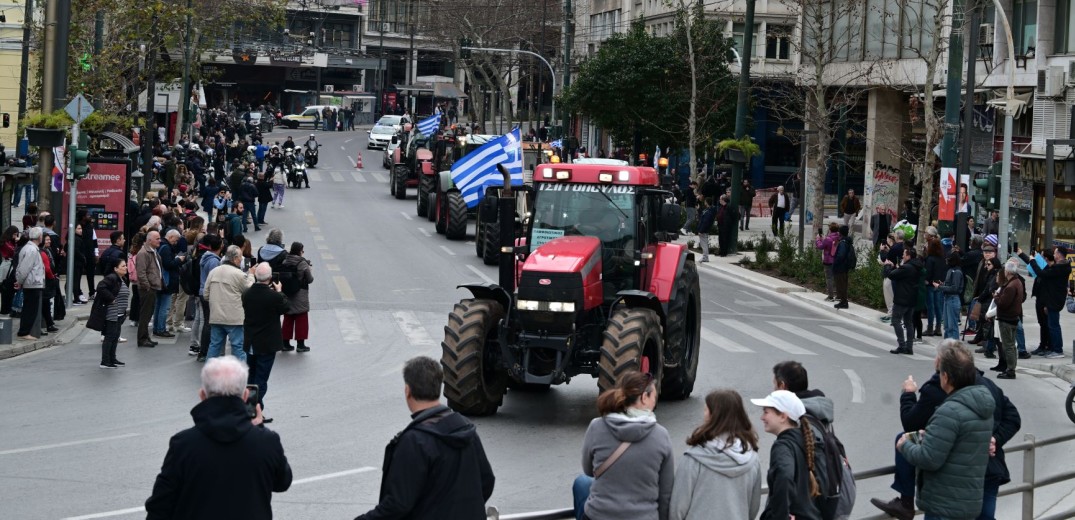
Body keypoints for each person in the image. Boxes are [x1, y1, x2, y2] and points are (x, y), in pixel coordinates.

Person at [145, 356, 292, 519]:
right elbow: (282, 482)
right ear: (245, 396)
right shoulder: (267, 442)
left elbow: (160, 504)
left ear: (202, 395)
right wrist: (259, 428)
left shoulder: (183, 444)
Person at [354, 356, 495, 520]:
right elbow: (486, 480)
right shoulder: (466, 429)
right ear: (438, 387)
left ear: (408, 391)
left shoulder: (414, 441)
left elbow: (398, 504)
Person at [898, 344, 995, 520]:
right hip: (967, 501)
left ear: (946, 377)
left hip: (944, 504)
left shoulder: (949, 411)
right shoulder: (982, 405)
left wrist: (905, 445)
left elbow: (929, 458)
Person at [574, 371, 673, 520]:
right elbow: (665, 493)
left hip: (600, 515)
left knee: (582, 483)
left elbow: (589, 470)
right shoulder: (661, 435)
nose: (655, 402)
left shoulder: (597, 426)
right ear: (644, 397)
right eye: (654, 396)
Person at [669, 389, 762, 520]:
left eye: (706, 410)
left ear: (714, 415)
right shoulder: (752, 460)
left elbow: (678, 508)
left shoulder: (694, 458)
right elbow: (753, 507)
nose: (703, 414)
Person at [750, 390, 821, 520]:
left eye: (766, 412)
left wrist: (780, 516)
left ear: (783, 416)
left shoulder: (782, 446)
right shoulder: (803, 440)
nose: (762, 417)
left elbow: (785, 476)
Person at [242, 263, 288, 420]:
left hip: (251, 341)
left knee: (252, 377)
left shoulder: (247, 294)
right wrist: (280, 291)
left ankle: (249, 410)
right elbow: (285, 308)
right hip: (267, 343)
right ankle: (255, 411)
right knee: (261, 379)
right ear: (269, 278)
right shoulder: (274, 296)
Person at [1017, 246, 1072, 359]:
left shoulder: (1059, 268)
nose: (1054, 254)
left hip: (1054, 301)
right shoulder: (1059, 267)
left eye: (1056, 253)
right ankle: (1052, 347)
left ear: (1059, 255)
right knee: (1051, 325)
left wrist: (1032, 261)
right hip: (1052, 300)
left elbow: (1042, 273)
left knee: (1054, 326)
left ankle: (1057, 350)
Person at [204, 245, 253, 362]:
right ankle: (239, 376)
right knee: (238, 348)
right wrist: (251, 275)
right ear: (235, 258)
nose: (242, 260)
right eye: (240, 257)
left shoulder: (213, 272)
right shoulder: (239, 275)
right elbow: (249, 291)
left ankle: (209, 375)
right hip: (234, 318)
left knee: (214, 346)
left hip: (216, 316)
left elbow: (206, 295)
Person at [88, 259, 130, 368]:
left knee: (115, 336)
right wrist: (111, 299)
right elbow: (100, 287)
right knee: (110, 337)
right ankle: (105, 361)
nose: (126, 267)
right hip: (112, 313)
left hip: (119, 313)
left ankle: (112, 358)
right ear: (115, 269)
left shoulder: (121, 278)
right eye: (123, 266)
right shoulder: (112, 277)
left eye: (125, 265)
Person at [885, 245, 921, 355]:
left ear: (909, 256)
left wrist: (889, 266)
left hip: (902, 298)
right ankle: (909, 346)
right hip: (912, 298)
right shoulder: (917, 266)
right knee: (908, 322)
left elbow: (891, 275)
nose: (902, 256)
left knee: (896, 320)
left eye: (904, 254)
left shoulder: (907, 267)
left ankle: (901, 345)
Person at [992, 262, 1025, 379]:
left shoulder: (1011, 286)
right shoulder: (1017, 282)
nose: (1004, 272)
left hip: (1007, 318)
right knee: (1011, 345)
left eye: (1005, 270)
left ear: (1008, 272)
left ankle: (1011, 369)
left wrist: (996, 297)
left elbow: (1003, 303)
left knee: (1008, 345)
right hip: (1012, 317)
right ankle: (1011, 368)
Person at [280, 242, 314, 352]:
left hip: (287, 293)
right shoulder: (302, 263)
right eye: (302, 251)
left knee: (288, 318)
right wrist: (309, 269)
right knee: (301, 318)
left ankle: (285, 343)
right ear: (299, 251)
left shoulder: (285, 261)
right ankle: (300, 344)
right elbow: (310, 279)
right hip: (300, 294)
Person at [195, 234, 223, 362]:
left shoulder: (207, 258)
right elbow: (215, 279)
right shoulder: (214, 261)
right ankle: (205, 351)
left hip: (203, 291)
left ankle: (204, 350)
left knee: (207, 321)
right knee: (209, 323)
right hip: (209, 293)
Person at [154, 229, 186, 339]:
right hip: (166, 281)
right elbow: (168, 264)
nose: (176, 243)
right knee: (164, 307)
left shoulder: (160, 245)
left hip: (159, 280)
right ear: (171, 237)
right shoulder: (166, 248)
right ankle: (161, 329)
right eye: (176, 240)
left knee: (158, 305)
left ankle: (156, 328)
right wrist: (178, 260)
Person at [15, 227, 45, 340]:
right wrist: (19, 281)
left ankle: (24, 331)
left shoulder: (29, 248)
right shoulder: (31, 250)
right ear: (39, 237)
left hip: (31, 282)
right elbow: (24, 268)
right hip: (32, 283)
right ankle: (24, 332)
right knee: (30, 309)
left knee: (29, 308)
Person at [937, 251, 965, 340]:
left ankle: (954, 347)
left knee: (952, 326)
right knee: (947, 326)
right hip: (948, 298)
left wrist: (941, 287)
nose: (946, 261)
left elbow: (955, 288)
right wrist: (943, 285)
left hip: (953, 299)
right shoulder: (951, 270)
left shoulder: (956, 272)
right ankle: (948, 346)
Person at [923, 237, 946, 337]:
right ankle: (938, 328)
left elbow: (928, 272)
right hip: (939, 284)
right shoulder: (942, 258)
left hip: (930, 284)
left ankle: (930, 328)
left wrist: (927, 280)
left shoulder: (930, 259)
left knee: (930, 307)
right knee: (938, 307)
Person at [815, 222, 841, 301]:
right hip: (837, 260)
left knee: (829, 278)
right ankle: (839, 295)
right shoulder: (839, 237)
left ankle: (830, 296)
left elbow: (820, 246)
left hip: (828, 261)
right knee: (837, 278)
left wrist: (818, 240)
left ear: (830, 229)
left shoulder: (828, 239)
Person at [832, 225, 854, 309]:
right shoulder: (846, 241)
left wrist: (835, 263)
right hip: (844, 267)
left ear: (840, 233)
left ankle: (844, 302)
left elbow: (840, 255)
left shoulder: (843, 243)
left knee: (841, 285)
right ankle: (843, 301)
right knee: (842, 284)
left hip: (840, 267)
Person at [696, 198, 716, 263]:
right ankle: (705, 256)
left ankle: (705, 257)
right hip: (703, 229)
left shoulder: (709, 212)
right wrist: (699, 209)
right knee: (703, 243)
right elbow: (702, 215)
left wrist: (701, 230)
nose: (704, 203)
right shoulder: (708, 210)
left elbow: (705, 222)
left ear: (707, 202)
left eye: (705, 202)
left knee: (704, 244)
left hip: (704, 230)